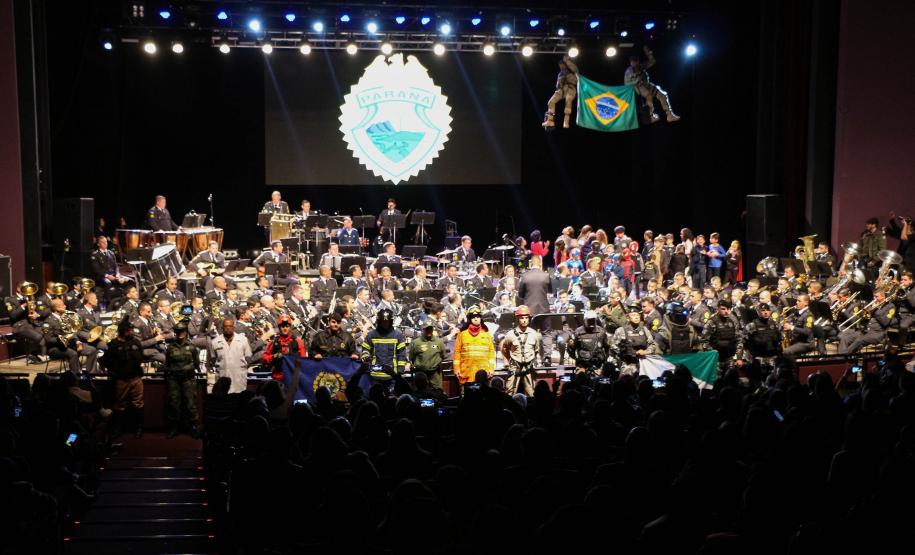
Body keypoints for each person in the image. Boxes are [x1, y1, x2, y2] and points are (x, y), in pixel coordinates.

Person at [103, 318, 146, 438]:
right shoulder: (113, 344)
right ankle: (118, 429)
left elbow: (141, 357)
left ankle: (138, 428)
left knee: (138, 404)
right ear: (123, 331)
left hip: (136, 378)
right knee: (120, 405)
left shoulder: (136, 342)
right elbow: (106, 361)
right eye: (129, 330)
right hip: (121, 379)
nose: (132, 332)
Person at [624, 45, 680, 123]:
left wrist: (648, 53)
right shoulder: (629, 71)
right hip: (638, 87)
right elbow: (626, 83)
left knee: (662, 95)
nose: (634, 64)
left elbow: (652, 62)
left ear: (638, 61)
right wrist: (636, 81)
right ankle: (651, 116)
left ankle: (669, 115)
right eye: (632, 62)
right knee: (649, 95)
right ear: (631, 62)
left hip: (647, 84)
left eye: (635, 61)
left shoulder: (641, 66)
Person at [43, 299, 99, 375]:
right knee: (73, 354)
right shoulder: (48, 322)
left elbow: (72, 332)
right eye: (63, 305)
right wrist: (61, 339)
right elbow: (48, 339)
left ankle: (91, 374)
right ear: (57, 308)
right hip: (56, 348)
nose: (65, 306)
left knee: (92, 350)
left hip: (70, 344)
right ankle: (76, 376)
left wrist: (78, 342)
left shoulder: (65, 318)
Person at [163, 323, 200, 439]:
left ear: (186, 332)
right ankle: (174, 428)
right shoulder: (170, 348)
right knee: (174, 404)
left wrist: (187, 368)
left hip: (188, 380)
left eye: (182, 331)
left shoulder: (192, 347)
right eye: (178, 331)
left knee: (190, 405)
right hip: (174, 380)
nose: (180, 333)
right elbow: (167, 364)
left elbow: (196, 363)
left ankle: (193, 427)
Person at [452, 305, 495, 387]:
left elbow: (491, 352)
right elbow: (457, 352)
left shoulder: (486, 334)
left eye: (478, 317)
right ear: (469, 319)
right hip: (466, 373)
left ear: (481, 318)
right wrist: (456, 369)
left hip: (483, 373)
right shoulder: (462, 334)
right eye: (473, 317)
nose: (476, 319)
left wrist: (491, 368)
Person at [209, 318, 252, 394]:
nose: (228, 328)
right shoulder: (215, 342)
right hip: (222, 376)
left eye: (230, 326)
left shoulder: (243, 340)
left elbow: (248, 357)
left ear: (233, 327)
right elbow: (213, 359)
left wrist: (241, 368)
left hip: (239, 378)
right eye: (226, 326)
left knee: (238, 398)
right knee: (223, 398)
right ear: (222, 328)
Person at [612, 307, 658, 375]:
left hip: (643, 363)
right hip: (627, 364)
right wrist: (631, 353)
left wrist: (646, 351)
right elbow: (614, 346)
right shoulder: (621, 330)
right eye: (633, 315)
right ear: (628, 318)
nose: (636, 317)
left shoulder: (644, 330)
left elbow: (652, 344)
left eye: (637, 315)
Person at [360, 308, 407, 374]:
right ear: (379, 321)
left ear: (391, 322)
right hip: (374, 375)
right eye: (383, 322)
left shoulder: (397, 336)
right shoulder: (371, 335)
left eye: (387, 322)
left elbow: (401, 354)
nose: (385, 324)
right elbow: (365, 350)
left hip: (392, 375)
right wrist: (367, 360)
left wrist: (400, 371)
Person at [700, 300, 744, 370]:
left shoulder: (733, 322)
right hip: (715, 358)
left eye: (728, 309)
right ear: (718, 309)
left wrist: (739, 357)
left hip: (729, 358)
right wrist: (711, 351)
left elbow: (739, 340)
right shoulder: (711, 322)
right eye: (723, 309)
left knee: (730, 375)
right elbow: (703, 340)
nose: (726, 311)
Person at [262, 314, 307, 380]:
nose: (285, 328)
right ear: (279, 327)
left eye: (287, 326)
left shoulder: (298, 341)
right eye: (283, 326)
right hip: (278, 376)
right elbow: (264, 358)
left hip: (293, 377)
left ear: (290, 327)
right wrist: (273, 356)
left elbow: (304, 360)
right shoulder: (273, 342)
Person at [567, 310, 611, 374]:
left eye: (593, 320)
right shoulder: (578, 332)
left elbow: (608, 347)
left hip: (598, 365)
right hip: (582, 366)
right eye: (589, 321)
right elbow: (570, 348)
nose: (591, 323)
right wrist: (577, 359)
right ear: (585, 321)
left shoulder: (601, 332)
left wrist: (605, 362)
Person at [542, 54, 579, 129]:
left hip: (570, 88)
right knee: (551, 102)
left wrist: (567, 61)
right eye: (560, 65)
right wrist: (560, 82)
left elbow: (574, 69)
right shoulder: (560, 73)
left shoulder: (572, 70)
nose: (561, 67)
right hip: (561, 89)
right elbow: (557, 85)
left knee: (568, 101)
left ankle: (566, 121)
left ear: (565, 65)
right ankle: (550, 120)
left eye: (562, 65)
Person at [409, 320, 447, 390]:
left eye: (430, 328)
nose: (429, 331)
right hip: (420, 374)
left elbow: (443, 356)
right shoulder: (416, 343)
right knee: (420, 393)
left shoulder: (439, 342)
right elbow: (411, 357)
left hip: (435, 374)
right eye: (427, 329)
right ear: (423, 329)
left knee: (437, 392)